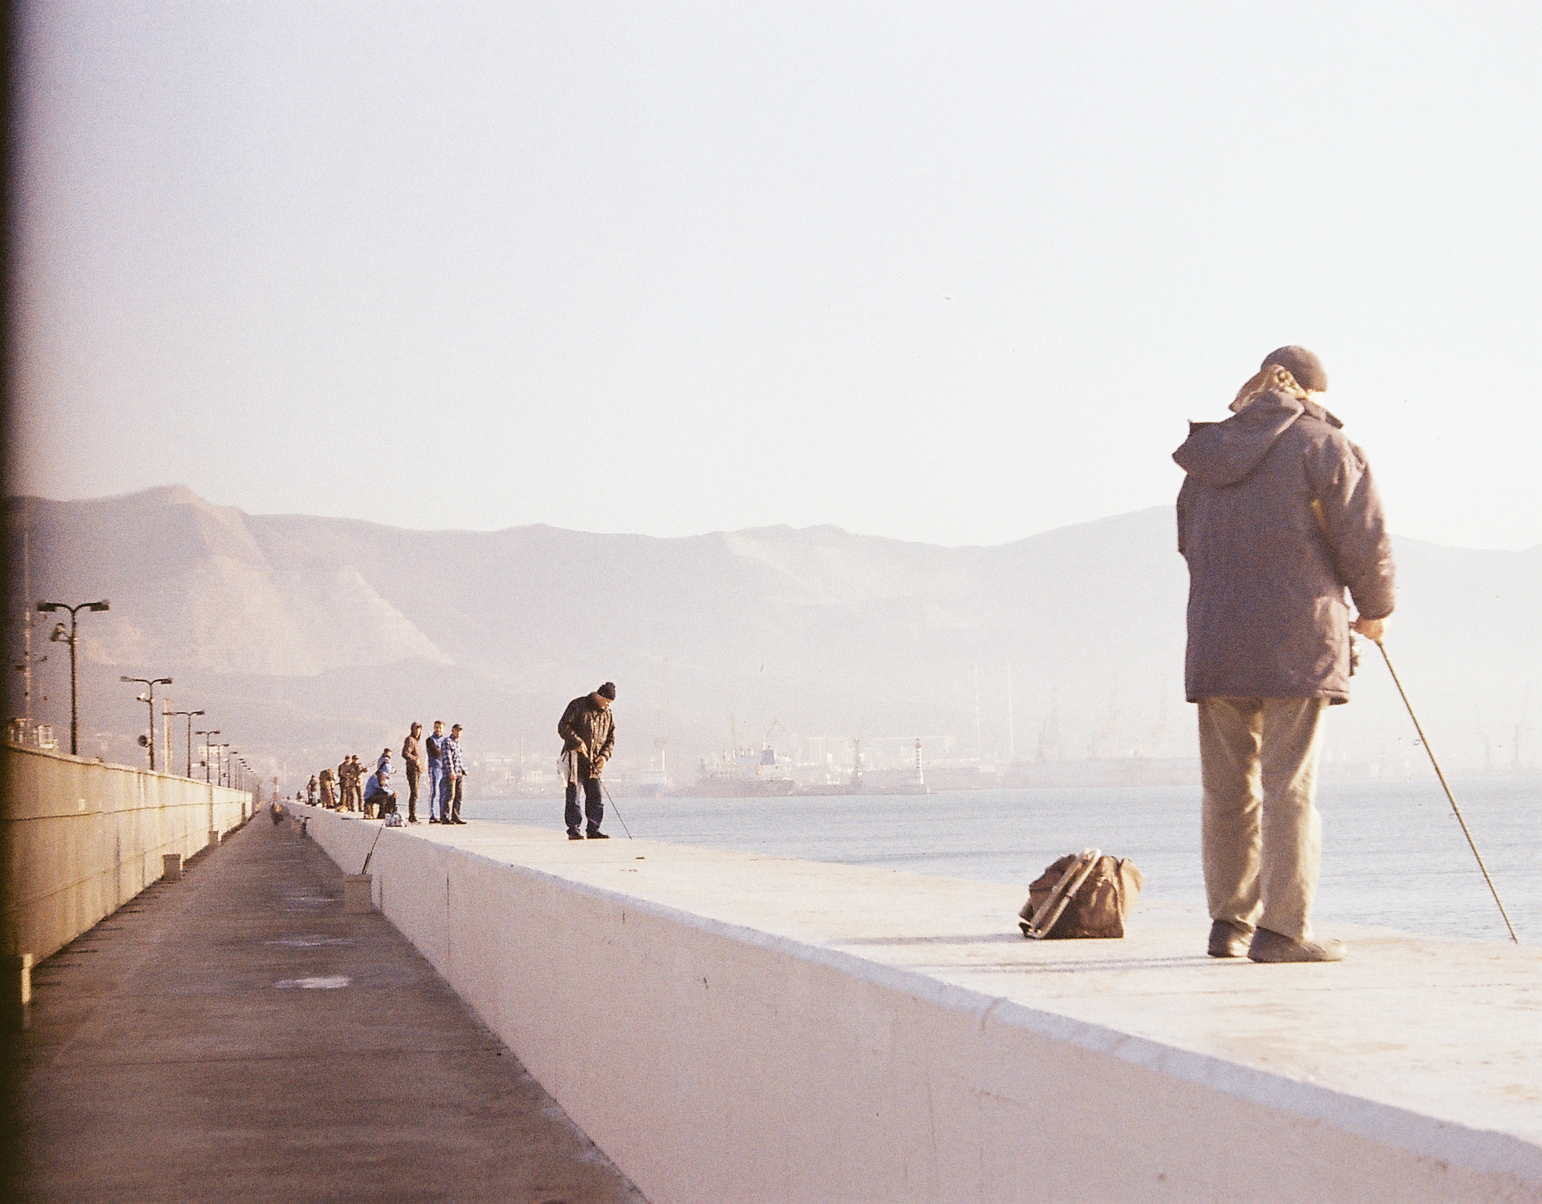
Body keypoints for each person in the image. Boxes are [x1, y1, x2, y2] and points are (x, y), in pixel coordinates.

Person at [1173, 346, 1394, 964]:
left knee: (1227, 792)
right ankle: (1284, 931)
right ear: (1313, 394)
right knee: (1289, 787)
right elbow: (1365, 536)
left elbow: (1189, 543)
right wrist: (1374, 611)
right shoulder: (1327, 447)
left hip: (1216, 645)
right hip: (1297, 643)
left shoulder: (1206, 458)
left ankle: (1228, 923)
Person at [558, 682, 616, 840]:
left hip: (594, 762)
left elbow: (610, 738)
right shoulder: (578, 705)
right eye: (606, 701)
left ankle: (593, 829)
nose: (607, 705)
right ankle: (573, 829)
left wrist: (604, 756)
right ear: (599, 696)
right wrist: (577, 742)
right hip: (575, 759)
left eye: (609, 704)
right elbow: (563, 726)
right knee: (573, 796)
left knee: (596, 796)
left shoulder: (607, 714)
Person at [441, 724, 467, 824]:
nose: (459, 732)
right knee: (449, 795)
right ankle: (445, 817)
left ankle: (456, 816)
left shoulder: (457, 744)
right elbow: (448, 758)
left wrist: (464, 770)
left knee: (459, 796)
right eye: (457, 730)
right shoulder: (447, 742)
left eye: (460, 731)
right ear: (452, 731)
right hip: (450, 773)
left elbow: (459, 759)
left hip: (459, 772)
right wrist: (451, 771)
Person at [364, 748, 396, 819]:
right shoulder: (381, 776)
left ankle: (385, 813)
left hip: (372, 794)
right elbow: (383, 788)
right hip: (369, 796)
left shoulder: (379, 774)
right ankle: (383, 814)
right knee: (388, 795)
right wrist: (392, 792)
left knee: (389, 794)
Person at [401, 722, 423, 824]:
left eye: (419, 730)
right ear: (412, 729)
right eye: (416, 729)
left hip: (417, 770)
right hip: (412, 769)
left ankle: (413, 815)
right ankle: (412, 816)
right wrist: (415, 760)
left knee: (415, 793)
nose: (418, 731)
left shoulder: (415, 741)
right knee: (414, 793)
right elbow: (405, 753)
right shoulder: (410, 740)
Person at [425, 721, 447, 823]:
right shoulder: (430, 740)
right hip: (434, 767)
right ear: (434, 728)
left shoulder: (445, 740)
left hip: (444, 768)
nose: (438, 730)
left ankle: (443, 814)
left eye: (440, 728)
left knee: (443, 793)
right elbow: (437, 753)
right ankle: (432, 815)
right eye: (437, 728)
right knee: (434, 791)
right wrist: (443, 751)